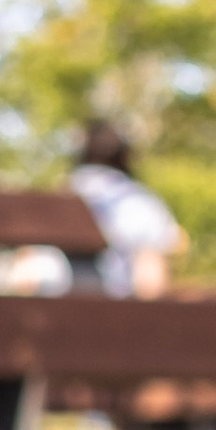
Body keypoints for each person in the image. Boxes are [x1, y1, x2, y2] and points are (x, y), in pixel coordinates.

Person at [70, 121, 185, 301]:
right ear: (125, 156)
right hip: (113, 317)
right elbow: (151, 282)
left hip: (43, 317)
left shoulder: (58, 195)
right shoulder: (140, 202)